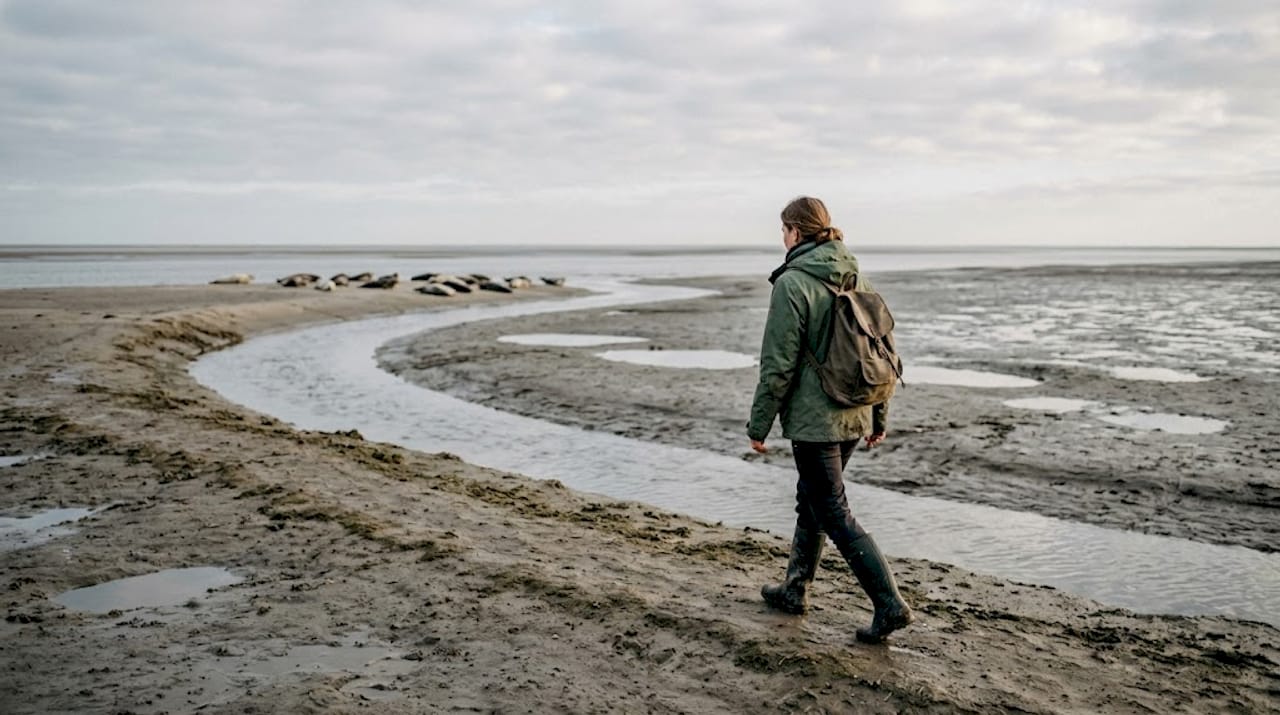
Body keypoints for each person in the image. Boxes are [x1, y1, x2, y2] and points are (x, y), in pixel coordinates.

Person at [747, 196, 914, 643]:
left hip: (816, 420)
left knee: (833, 510)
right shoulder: (857, 274)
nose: (781, 238)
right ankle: (794, 589)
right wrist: (879, 416)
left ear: (795, 233)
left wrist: (758, 425)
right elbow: (884, 352)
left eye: (783, 230)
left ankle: (890, 604)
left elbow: (778, 365)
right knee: (815, 500)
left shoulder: (793, 284)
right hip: (856, 411)